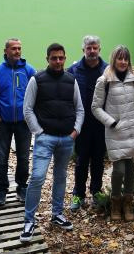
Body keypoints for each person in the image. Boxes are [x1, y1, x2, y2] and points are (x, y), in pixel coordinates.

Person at [19, 43, 84, 243]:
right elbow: (27, 109)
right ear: (47, 58)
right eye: (54, 58)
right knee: (37, 177)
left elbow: (80, 108)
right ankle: (29, 221)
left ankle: (57, 214)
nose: (58, 61)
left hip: (66, 139)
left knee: (60, 177)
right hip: (45, 139)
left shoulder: (71, 80)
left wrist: (75, 131)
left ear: (65, 58)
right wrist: (39, 132)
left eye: (61, 58)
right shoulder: (36, 80)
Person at [92, 45, 134, 221]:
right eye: (120, 58)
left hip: (133, 130)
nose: (123, 62)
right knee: (119, 170)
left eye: (126, 59)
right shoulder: (104, 80)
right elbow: (95, 107)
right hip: (116, 131)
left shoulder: (133, 79)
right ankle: (115, 202)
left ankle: (128, 203)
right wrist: (111, 122)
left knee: (131, 169)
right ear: (114, 59)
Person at [0, 38, 36, 206]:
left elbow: (38, 94)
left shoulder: (29, 71)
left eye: (19, 48)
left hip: (23, 123)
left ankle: (22, 188)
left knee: (23, 158)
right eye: (13, 48)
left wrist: (32, 115)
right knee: (1, 159)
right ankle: (1, 191)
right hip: (3, 122)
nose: (17, 51)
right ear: (6, 51)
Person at [67, 35, 108, 211]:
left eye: (95, 48)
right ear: (83, 50)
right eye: (88, 48)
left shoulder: (108, 70)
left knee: (99, 160)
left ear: (99, 49)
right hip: (82, 124)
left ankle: (96, 191)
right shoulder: (73, 71)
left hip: (101, 124)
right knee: (82, 160)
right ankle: (78, 194)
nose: (92, 51)